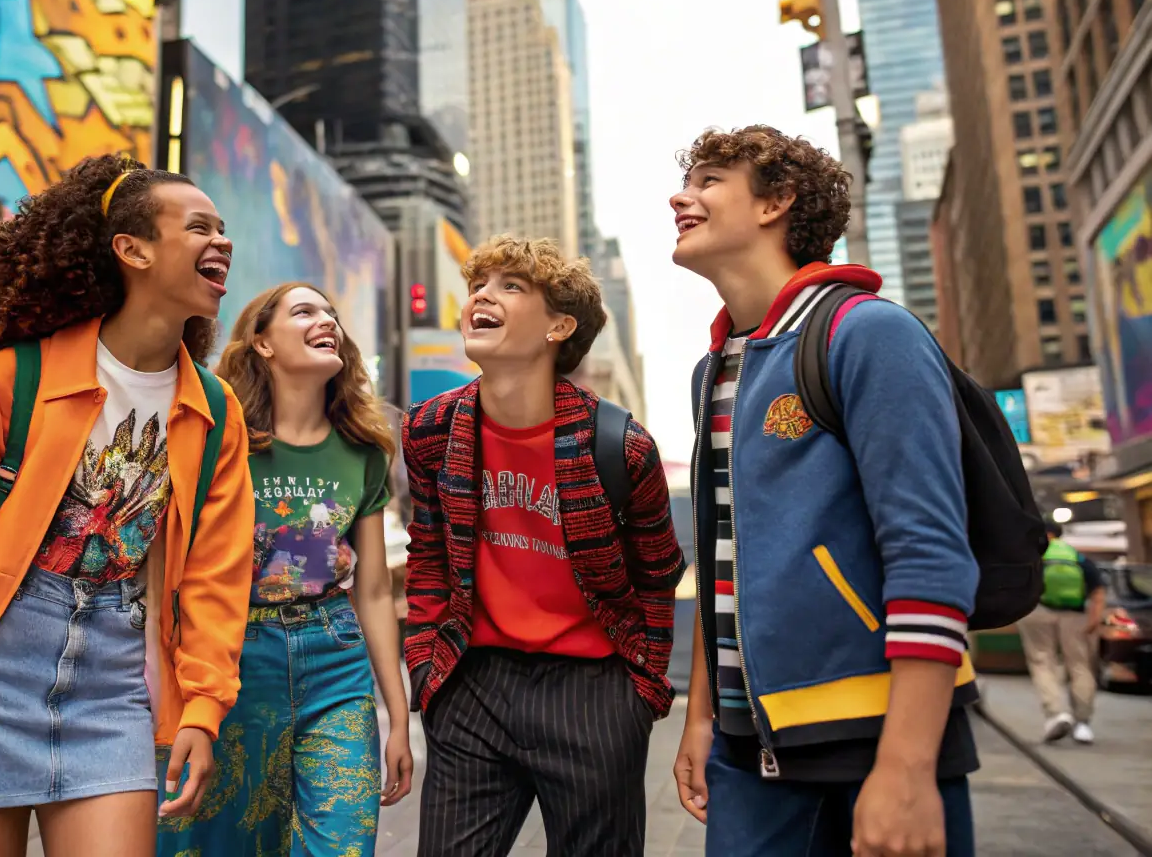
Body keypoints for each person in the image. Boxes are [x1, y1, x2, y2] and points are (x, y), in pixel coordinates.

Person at [0, 155, 256, 857]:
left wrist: (203, 705)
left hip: (112, 690)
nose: (221, 240)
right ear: (131, 249)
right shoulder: (6, 381)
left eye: (221, 229)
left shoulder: (216, 411)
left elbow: (217, 578)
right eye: (198, 227)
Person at [667, 126, 980, 857]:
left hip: (876, 738)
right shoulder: (712, 371)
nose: (680, 197)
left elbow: (929, 553)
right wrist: (702, 719)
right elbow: (722, 558)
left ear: (775, 201)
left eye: (709, 180)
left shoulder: (868, 333)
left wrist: (907, 767)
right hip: (749, 752)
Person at [404, 235, 685, 856]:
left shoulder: (620, 446)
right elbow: (429, 557)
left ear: (559, 326)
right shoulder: (430, 430)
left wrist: (639, 692)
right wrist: (426, 668)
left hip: (593, 688)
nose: (482, 296)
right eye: (478, 285)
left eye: (511, 286)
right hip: (473, 680)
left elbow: (658, 575)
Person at [156, 282, 413, 856]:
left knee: (342, 845)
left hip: (335, 659)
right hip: (232, 659)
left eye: (331, 314)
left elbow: (374, 591)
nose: (327, 321)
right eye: (304, 311)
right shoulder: (219, 438)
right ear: (263, 343)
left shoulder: (363, 450)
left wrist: (397, 717)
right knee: (220, 844)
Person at [1016, 520, 1106, 745]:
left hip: (1038, 611)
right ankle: (1083, 723)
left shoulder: (1034, 555)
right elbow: (1098, 591)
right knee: (1080, 665)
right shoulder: (1076, 557)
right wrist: (1094, 620)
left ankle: (1056, 714)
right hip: (1075, 615)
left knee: (1041, 660)